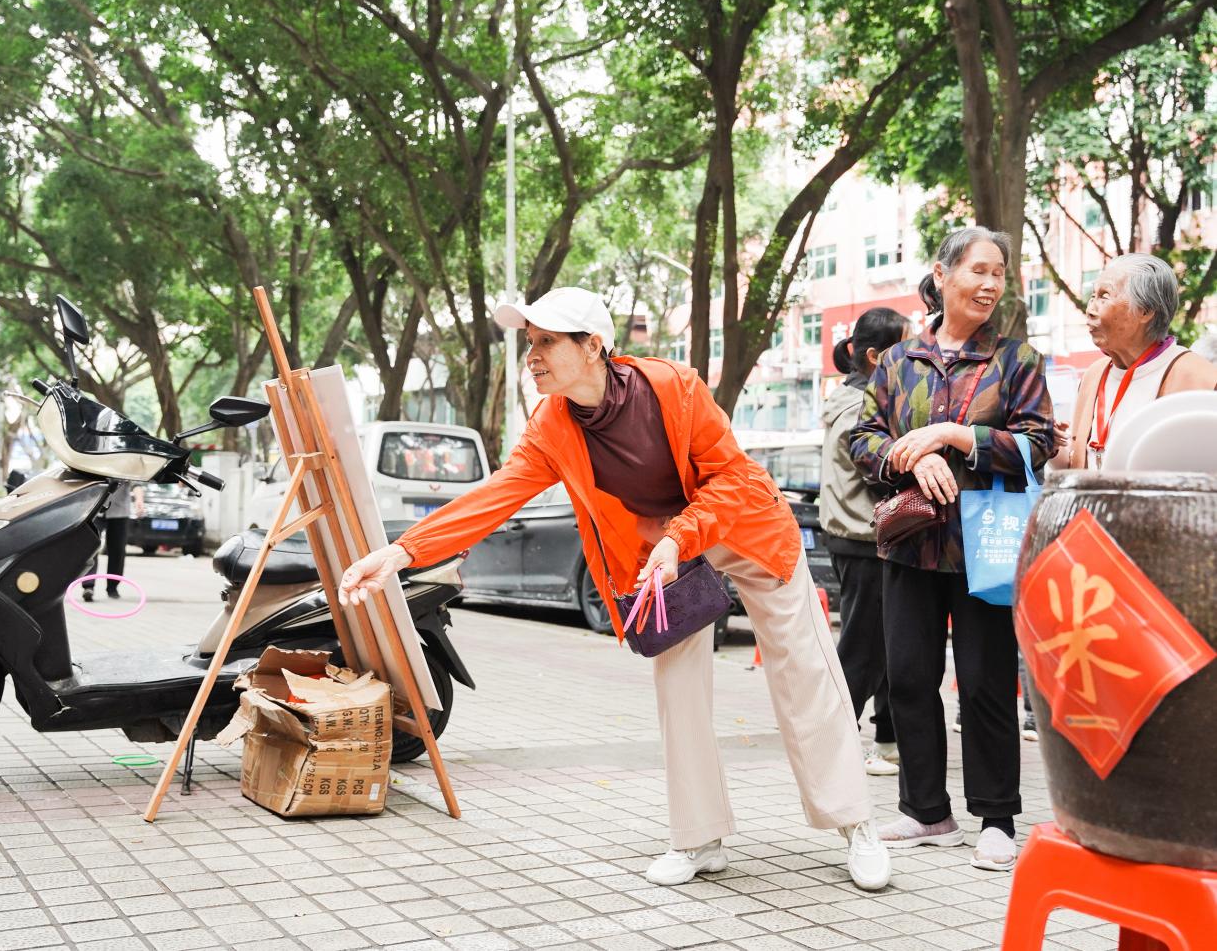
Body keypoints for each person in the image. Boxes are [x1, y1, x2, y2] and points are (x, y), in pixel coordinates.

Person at [340, 286, 892, 891]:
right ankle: (699, 838)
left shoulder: (674, 387)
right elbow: (495, 495)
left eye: (548, 341)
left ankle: (855, 823)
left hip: (745, 530)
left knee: (803, 671)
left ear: (593, 345)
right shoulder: (551, 425)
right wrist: (401, 552)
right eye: (530, 343)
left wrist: (678, 540)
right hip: (664, 554)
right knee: (677, 683)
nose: (534, 355)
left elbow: (732, 478)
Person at [850, 228, 1054, 872]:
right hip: (911, 543)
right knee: (908, 675)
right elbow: (862, 441)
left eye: (999, 273)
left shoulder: (1017, 360)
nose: (991, 284)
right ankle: (925, 811)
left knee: (987, 682)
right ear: (942, 275)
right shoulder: (896, 362)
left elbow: (1037, 443)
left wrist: (956, 437)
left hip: (983, 546)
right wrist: (905, 459)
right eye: (978, 271)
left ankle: (996, 815)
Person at [820, 307, 910, 777]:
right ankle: (831, 743)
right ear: (876, 356)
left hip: (859, 535)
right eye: (904, 349)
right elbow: (873, 469)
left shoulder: (858, 397)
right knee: (864, 647)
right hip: (863, 537)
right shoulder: (860, 406)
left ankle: (890, 740)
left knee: (888, 644)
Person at [1057, 253, 1217, 470]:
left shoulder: (1200, 379)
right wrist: (1051, 443)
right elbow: (1076, 465)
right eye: (1093, 296)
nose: (1090, 309)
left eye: (1104, 296)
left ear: (1146, 311)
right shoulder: (1093, 376)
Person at [82, 480, 132, 601]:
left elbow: (137, 483)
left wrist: (140, 500)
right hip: (95, 507)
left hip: (119, 510)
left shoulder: (130, 461)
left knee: (117, 550)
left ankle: (112, 587)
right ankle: (88, 585)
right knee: (91, 547)